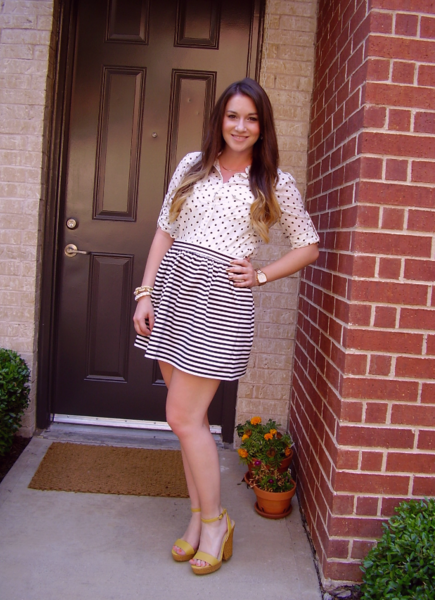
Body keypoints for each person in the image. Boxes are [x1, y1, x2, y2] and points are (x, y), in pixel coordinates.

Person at [133, 77, 319, 575]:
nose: (240, 126)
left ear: (263, 126)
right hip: (173, 294)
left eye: (251, 118)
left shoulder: (274, 181)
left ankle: (216, 523)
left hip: (219, 302)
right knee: (187, 422)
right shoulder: (191, 166)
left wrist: (260, 274)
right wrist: (145, 292)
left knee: (182, 417)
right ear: (220, 119)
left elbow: (308, 246)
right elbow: (165, 231)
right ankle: (199, 519)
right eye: (233, 116)